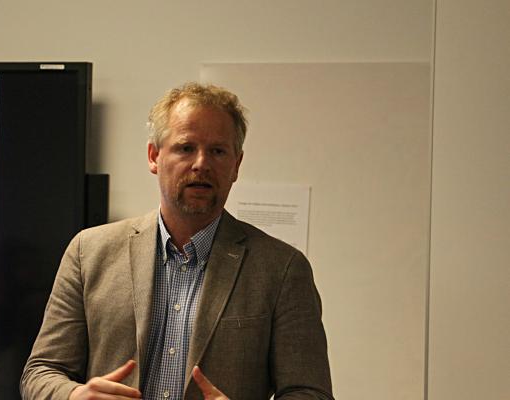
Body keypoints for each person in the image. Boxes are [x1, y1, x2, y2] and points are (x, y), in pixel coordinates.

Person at [20, 82, 333, 400]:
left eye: (218, 151)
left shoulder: (282, 269)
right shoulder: (88, 252)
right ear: (154, 156)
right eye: (186, 148)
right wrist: (74, 396)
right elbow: (41, 372)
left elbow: (310, 393)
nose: (201, 163)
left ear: (236, 165)